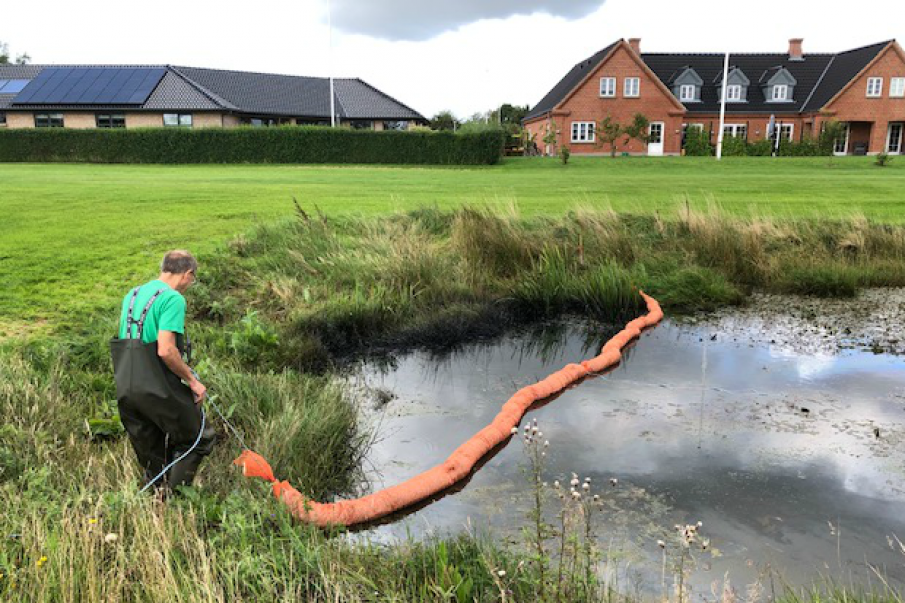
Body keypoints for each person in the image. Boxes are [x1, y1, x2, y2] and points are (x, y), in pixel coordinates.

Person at [110, 250, 216, 492]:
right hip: (156, 384)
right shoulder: (173, 299)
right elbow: (166, 350)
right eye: (193, 278)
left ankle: (156, 499)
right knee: (198, 438)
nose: (191, 284)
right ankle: (176, 500)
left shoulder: (133, 294)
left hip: (126, 384)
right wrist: (192, 380)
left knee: (152, 449)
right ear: (188, 273)